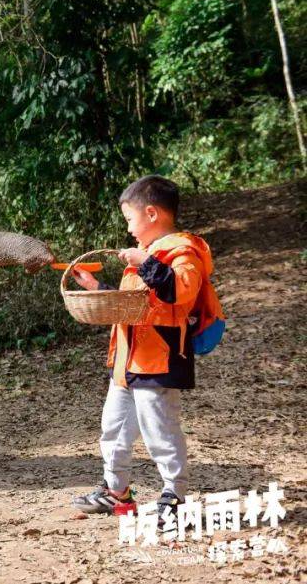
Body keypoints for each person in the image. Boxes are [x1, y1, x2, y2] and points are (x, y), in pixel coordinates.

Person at [69, 175, 214, 523]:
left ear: (152, 214)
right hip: (126, 361)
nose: (130, 229)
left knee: (159, 428)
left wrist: (144, 263)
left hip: (160, 359)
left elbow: (178, 292)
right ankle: (116, 492)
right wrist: (96, 287)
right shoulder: (145, 256)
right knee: (114, 427)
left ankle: (174, 495)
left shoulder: (184, 251)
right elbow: (132, 305)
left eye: (130, 220)